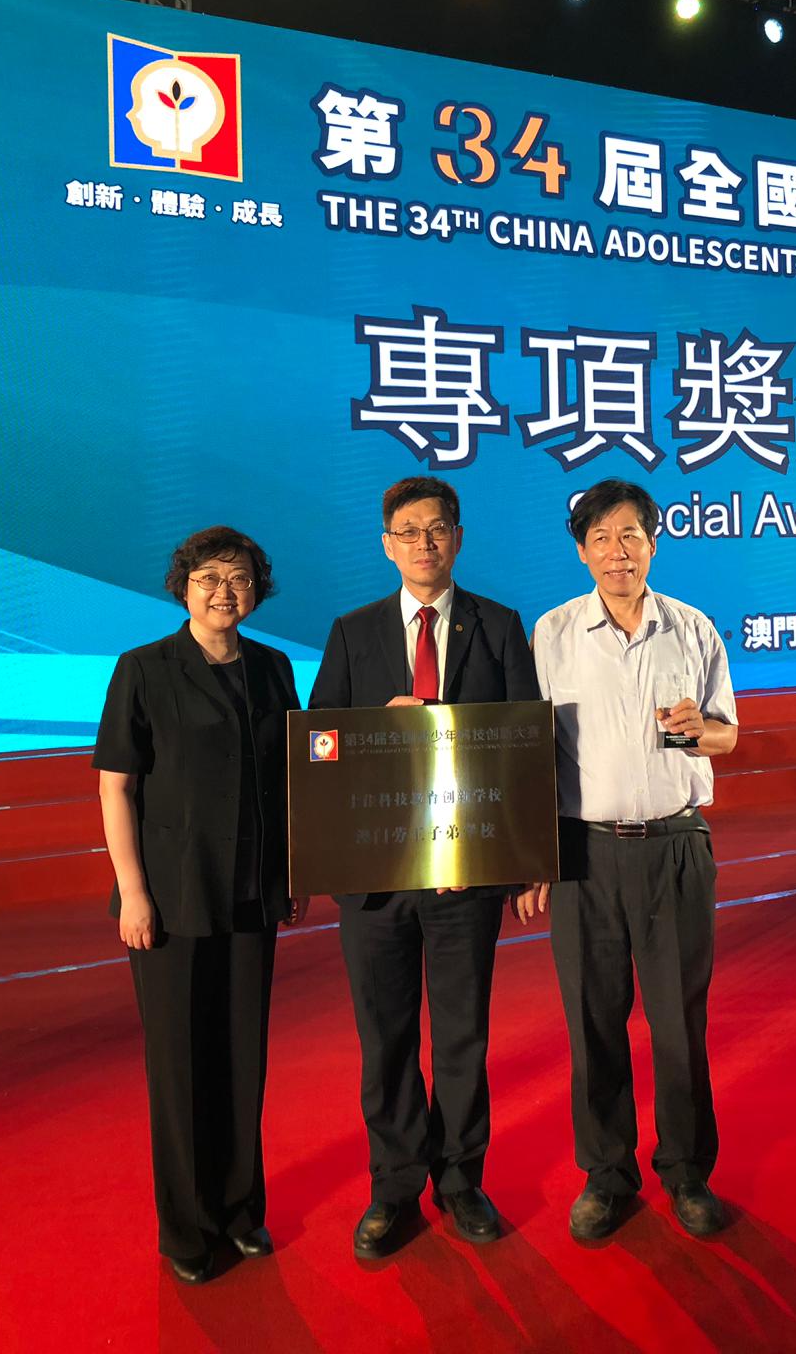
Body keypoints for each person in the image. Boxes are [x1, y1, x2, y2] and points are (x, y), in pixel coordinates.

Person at [309, 475, 539, 1259]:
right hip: (377, 877)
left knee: (463, 1036)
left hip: (466, 874)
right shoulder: (352, 633)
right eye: (408, 531)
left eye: (437, 528)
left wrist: (522, 860)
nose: (424, 543)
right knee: (386, 1039)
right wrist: (377, 727)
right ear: (387, 545)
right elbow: (320, 747)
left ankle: (462, 1179)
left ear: (459, 537)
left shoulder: (499, 627)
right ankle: (395, 1186)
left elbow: (524, 749)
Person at [519, 478, 738, 1243]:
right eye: (602, 539)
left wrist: (701, 729)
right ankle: (607, 1175)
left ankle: (687, 1172)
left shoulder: (693, 629)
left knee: (678, 1021)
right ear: (582, 552)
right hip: (585, 853)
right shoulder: (553, 634)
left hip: (675, 844)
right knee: (594, 1021)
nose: (618, 553)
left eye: (631, 536)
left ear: (654, 542)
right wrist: (533, 852)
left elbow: (726, 735)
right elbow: (531, 753)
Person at [94, 526, 304, 1284]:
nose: (224, 591)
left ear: (258, 589)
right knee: (181, 1065)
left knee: (244, 1057)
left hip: (250, 894)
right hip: (172, 899)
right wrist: (134, 891)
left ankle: (241, 1211)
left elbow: (293, 775)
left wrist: (292, 872)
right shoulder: (145, 669)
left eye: (239, 578)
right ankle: (187, 1228)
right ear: (182, 586)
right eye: (208, 577)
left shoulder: (273, 668)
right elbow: (116, 786)